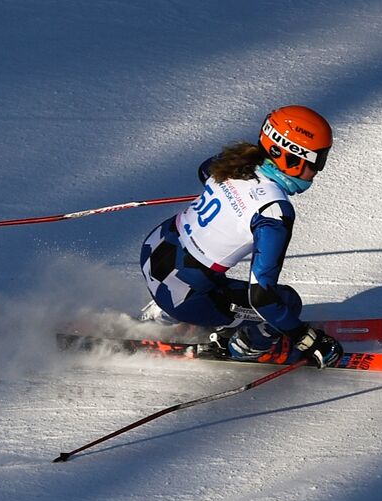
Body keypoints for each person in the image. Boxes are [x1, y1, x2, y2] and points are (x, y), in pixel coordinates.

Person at [137, 105, 343, 367]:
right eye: (318, 160)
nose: (319, 171)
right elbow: (262, 297)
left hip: (153, 251)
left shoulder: (235, 162)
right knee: (287, 303)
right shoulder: (274, 212)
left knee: (205, 266)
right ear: (292, 158)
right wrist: (308, 340)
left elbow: (205, 170)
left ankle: (162, 313)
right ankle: (241, 345)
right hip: (184, 296)